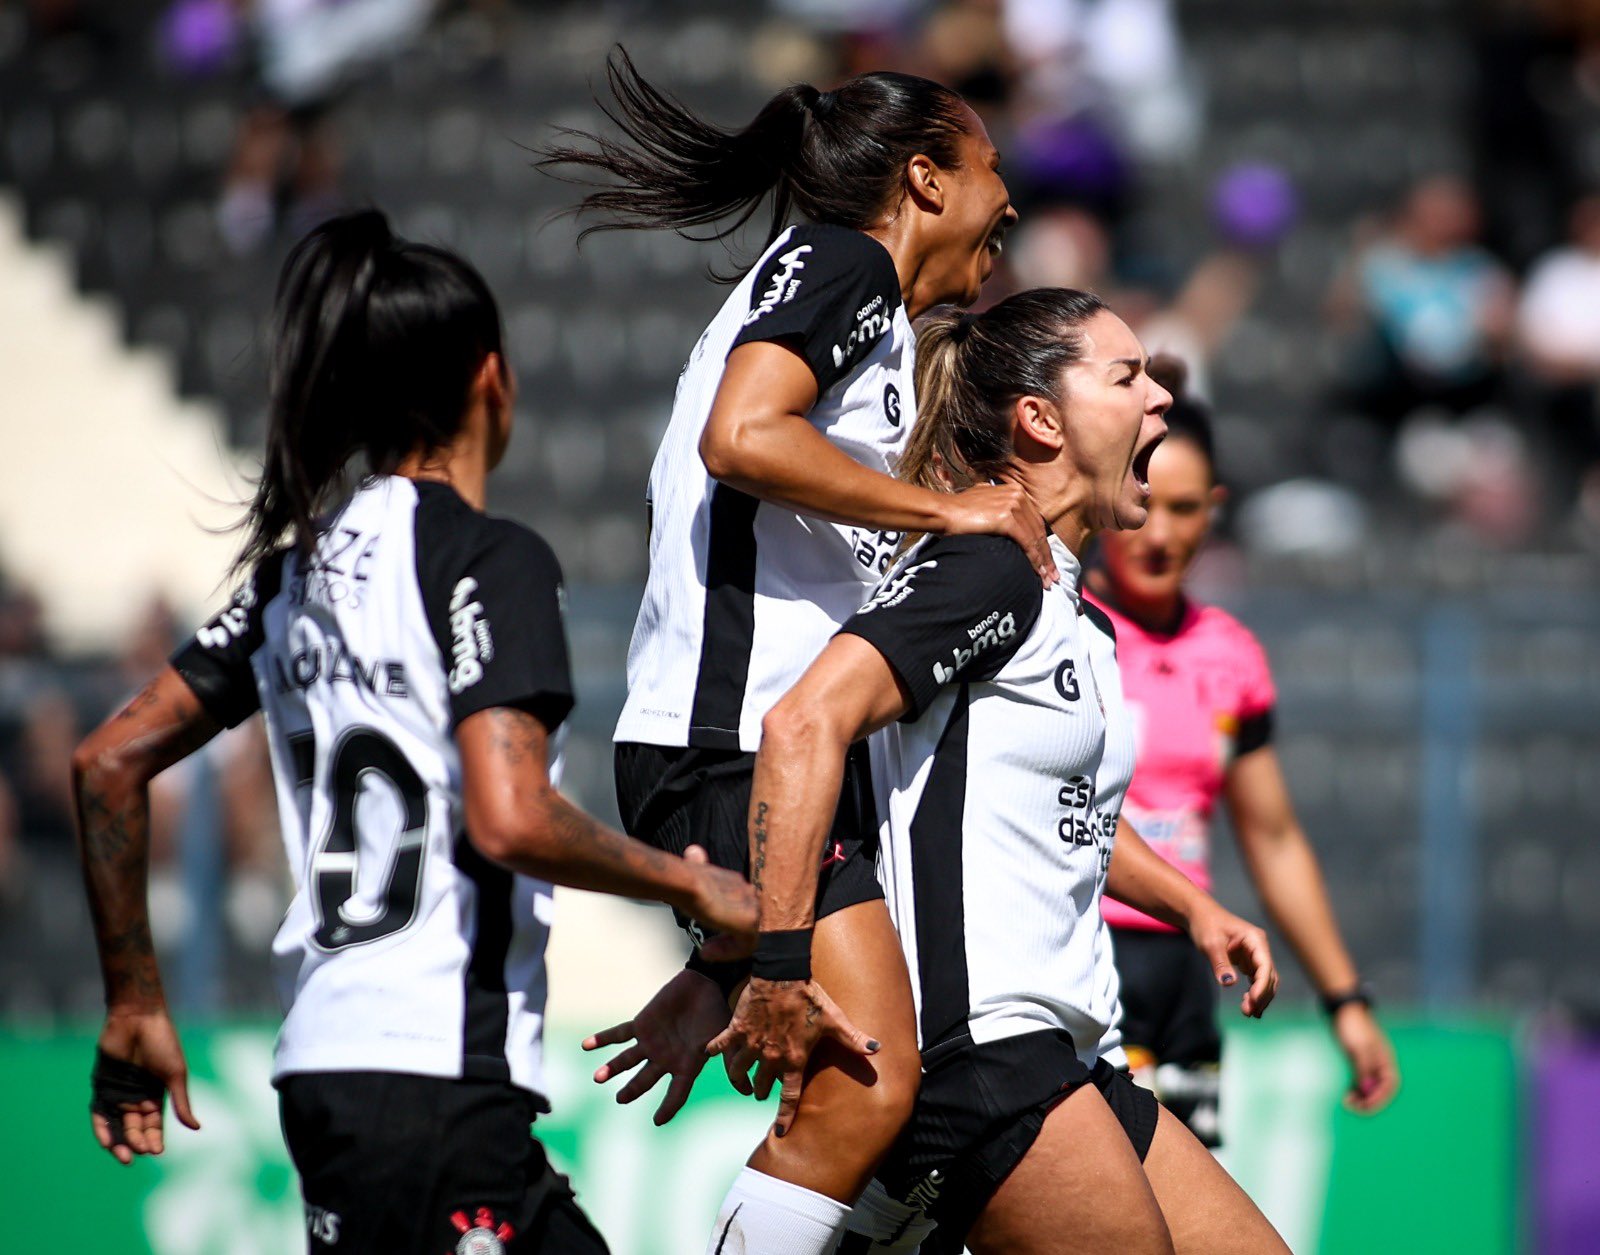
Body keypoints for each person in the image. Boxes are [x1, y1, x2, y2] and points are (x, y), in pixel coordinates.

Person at [70, 210, 756, 1255]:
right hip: (436, 1074)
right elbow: (512, 815)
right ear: (493, 378)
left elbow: (107, 760)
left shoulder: (290, 577)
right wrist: (691, 884)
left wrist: (133, 997)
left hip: (329, 1072)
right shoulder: (491, 560)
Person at [595, 290, 1289, 1254]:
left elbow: (1055, 813)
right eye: (1128, 377)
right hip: (985, 1058)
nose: (1162, 400)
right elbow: (804, 724)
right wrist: (772, 965)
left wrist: (1194, 907)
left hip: (1073, 1053)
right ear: (1040, 420)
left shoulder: (1070, 611)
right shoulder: (986, 572)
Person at [540, 50, 1053, 1252]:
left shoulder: (857, 305)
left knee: (887, 1079)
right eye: (987, 168)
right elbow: (740, 434)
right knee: (868, 1082)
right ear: (924, 178)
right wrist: (953, 511)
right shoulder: (843, 264)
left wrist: (725, 964)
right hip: (735, 748)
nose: (1007, 197)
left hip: (751, 756)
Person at [1088, 355, 1400, 1146]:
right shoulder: (1055, 621)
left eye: (1186, 509)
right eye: (1147, 503)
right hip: (1080, 956)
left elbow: (1273, 836)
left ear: (1213, 512)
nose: (1159, 534)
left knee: (1180, 1211)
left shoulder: (1231, 656)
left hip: (1190, 971)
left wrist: (1345, 1000)